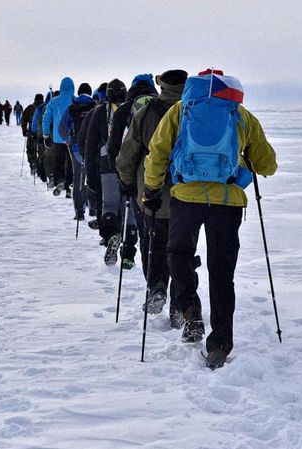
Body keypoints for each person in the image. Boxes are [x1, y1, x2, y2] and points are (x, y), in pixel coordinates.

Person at [143, 69, 278, 369]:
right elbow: (267, 164)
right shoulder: (238, 114)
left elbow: (158, 151)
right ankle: (220, 344)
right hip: (227, 202)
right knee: (221, 271)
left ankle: (190, 310)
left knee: (177, 253)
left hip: (185, 197)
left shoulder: (181, 109)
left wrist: (152, 188)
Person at [116, 69, 187, 327]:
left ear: (162, 86)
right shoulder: (192, 112)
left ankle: (156, 287)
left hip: (150, 190)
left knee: (154, 242)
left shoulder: (145, 113)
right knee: (182, 250)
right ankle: (181, 303)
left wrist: (126, 183)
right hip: (187, 193)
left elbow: (128, 154)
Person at [106, 73, 158, 270]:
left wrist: (121, 175)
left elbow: (114, 147)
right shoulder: (165, 107)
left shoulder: (124, 109)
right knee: (159, 223)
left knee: (134, 215)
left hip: (134, 172)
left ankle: (130, 255)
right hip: (163, 173)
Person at [85, 79, 133, 266]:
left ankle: (111, 235)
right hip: (129, 162)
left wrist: (91, 176)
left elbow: (90, 146)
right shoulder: (132, 109)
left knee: (110, 203)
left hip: (106, 164)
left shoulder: (99, 113)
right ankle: (128, 252)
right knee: (128, 205)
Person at [58, 82, 95, 220]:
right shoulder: (95, 106)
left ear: (78, 93)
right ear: (90, 93)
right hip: (92, 149)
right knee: (92, 177)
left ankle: (79, 211)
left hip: (75, 149)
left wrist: (67, 139)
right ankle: (93, 208)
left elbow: (62, 127)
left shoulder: (71, 108)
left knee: (78, 178)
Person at [42, 77, 75, 196]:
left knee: (59, 161)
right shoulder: (75, 100)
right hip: (71, 137)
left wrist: (46, 134)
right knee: (71, 161)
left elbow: (46, 119)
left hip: (57, 137)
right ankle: (70, 184)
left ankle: (60, 180)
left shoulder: (54, 101)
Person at [80, 83, 107, 228]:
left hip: (98, 160)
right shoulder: (126, 109)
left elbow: (83, 139)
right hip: (121, 161)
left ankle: (102, 220)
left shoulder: (95, 113)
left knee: (99, 190)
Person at [21, 94, 45, 177]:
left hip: (31, 133)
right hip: (42, 133)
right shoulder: (45, 107)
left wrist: (25, 131)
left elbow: (23, 120)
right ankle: (41, 168)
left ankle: (33, 165)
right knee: (42, 151)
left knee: (31, 150)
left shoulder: (30, 108)